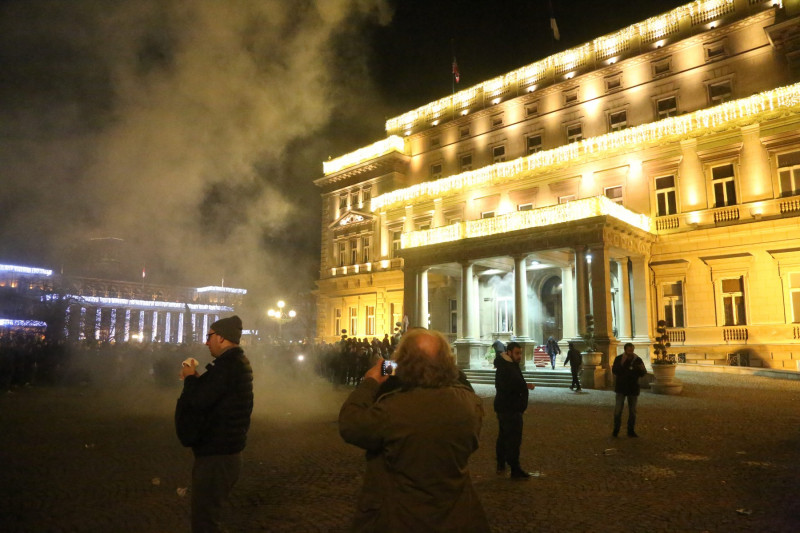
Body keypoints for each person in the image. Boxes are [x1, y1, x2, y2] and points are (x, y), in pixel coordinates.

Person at [339, 328, 490, 532]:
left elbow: (351, 424)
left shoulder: (393, 408)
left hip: (400, 517)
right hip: (457, 516)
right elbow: (458, 382)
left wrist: (371, 381)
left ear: (404, 363)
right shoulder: (470, 406)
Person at [175, 315, 254, 533]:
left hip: (217, 454)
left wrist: (190, 378)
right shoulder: (233, 364)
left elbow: (199, 401)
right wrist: (199, 381)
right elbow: (214, 395)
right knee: (208, 517)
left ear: (221, 337)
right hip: (224, 449)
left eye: (209, 336)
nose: (206, 342)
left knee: (205, 521)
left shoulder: (228, 366)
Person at [494, 341, 535, 479]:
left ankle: (501, 463)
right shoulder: (506, 367)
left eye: (520, 353)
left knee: (504, 436)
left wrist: (524, 386)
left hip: (506, 407)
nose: (519, 356)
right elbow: (510, 385)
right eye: (517, 353)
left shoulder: (509, 365)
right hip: (510, 408)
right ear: (509, 352)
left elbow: (515, 382)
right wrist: (522, 388)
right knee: (513, 439)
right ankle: (514, 468)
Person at [612, 342, 647, 438]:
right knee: (618, 410)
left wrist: (640, 369)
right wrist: (622, 363)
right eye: (629, 350)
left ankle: (631, 430)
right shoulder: (619, 359)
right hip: (621, 388)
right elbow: (614, 371)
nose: (631, 352)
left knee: (632, 411)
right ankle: (616, 430)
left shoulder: (638, 360)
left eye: (632, 350)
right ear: (625, 350)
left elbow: (643, 373)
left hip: (633, 388)